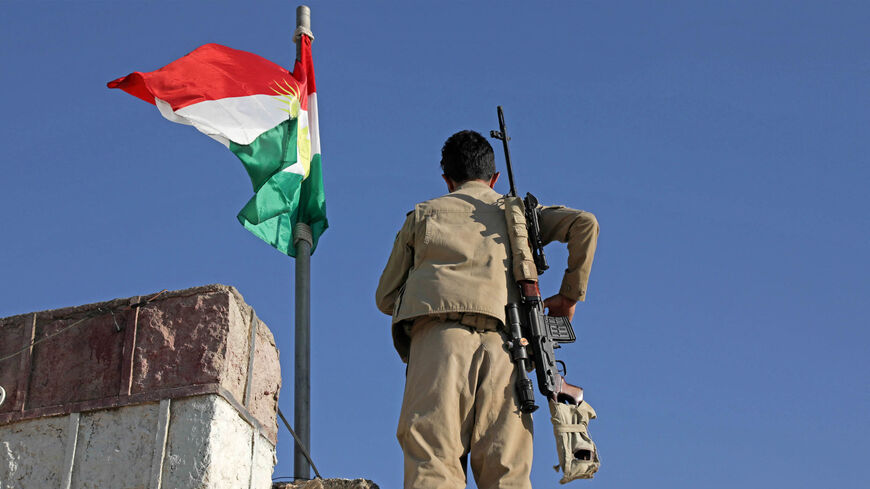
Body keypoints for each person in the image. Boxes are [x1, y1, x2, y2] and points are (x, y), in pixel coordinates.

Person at [375, 130, 599, 489]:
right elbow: (585, 224)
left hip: (439, 344)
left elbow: (385, 298)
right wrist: (568, 296)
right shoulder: (519, 217)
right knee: (506, 473)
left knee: (433, 462)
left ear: (447, 179)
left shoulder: (424, 215)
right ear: (494, 178)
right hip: (509, 349)